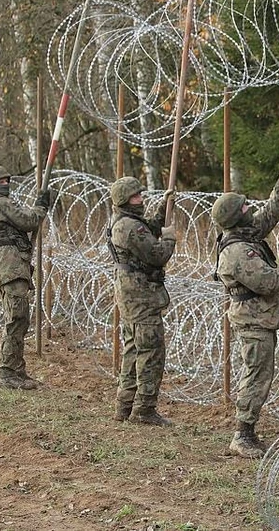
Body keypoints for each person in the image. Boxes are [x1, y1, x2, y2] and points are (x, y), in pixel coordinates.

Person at [212, 156, 279, 458]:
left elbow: (273, 211)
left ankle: (247, 429)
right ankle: (243, 434)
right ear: (236, 218)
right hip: (253, 321)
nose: (249, 209)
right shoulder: (238, 250)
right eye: (244, 208)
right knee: (256, 375)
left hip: (261, 318)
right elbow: (267, 282)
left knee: (260, 373)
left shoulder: (246, 233)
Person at [107, 177, 176, 426]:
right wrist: (169, 238)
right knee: (150, 351)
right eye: (136, 196)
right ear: (125, 200)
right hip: (141, 296)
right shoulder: (129, 227)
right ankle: (144, 409)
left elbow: (149, 229)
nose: (141, 199)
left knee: (133, 349)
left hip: (131, 296)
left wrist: (164, 207)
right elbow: (156, 255)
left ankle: (125, 405)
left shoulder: (125, 222)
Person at [0, 165, 50, 390]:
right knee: (16, 318)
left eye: (8, 180)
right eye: (1, 181)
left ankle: (16, 370)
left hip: (7, 266)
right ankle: (7, 373)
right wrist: (40, 206)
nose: (6, 184)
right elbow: (28, 221)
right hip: (9, 267)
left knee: (19, 318)